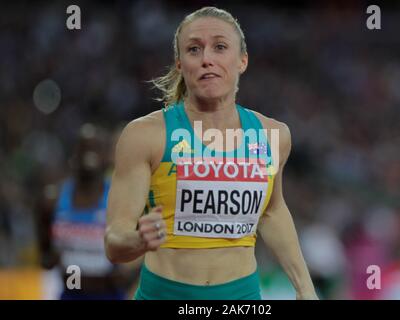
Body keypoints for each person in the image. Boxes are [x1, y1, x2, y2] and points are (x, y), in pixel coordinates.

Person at [105, 6, 318, 300]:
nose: (207, 59)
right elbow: (114, 240)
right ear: (180, 64)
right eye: (194, 49)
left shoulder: (273, 135)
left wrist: (305, 287)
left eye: (220, 47)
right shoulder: (145, 135)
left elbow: (271, 211)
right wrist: (138, 240)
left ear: (242, 60)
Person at [37, 123, 139, 300]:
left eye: (96, 148)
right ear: (73, 155)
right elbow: (45, 259)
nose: (89, 154)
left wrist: (126, 276)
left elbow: (143, 246)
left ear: (109, 157)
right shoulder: (52, 200)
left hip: (110, 294)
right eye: (84, 147)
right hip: (71, 292)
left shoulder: (123, 200)